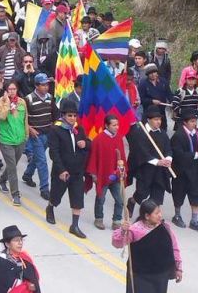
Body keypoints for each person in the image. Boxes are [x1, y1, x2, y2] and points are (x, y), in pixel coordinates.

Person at [111, 199, 183, 293]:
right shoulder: (135, 230)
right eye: (156, 213)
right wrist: (123, 230)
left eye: (160, 212)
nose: (160, 215)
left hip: (160, 276)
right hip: (140, 276)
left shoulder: (165, 228)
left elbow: (174, 248)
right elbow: (117, 243)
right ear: (147, 216)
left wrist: (178, 268)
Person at [45, 100, 90, 238]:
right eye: (70, 115)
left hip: (77, 171)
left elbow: (88, 144)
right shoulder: (55, 130)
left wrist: (85, 144)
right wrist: (61, 170)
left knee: (77, 198)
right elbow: (54, 152)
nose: (72, 118)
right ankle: (50, 207)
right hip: (62, 171)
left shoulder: (79, 129)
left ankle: (74, 225)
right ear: (63, 115)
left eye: (75, 116)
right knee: (56, 195)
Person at [126, 106, 172, 214]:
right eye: (156, 119)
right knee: (142, 193)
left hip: (160, 170)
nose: (158, 122)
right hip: (145, 168)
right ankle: (132, 201)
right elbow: (141, 151)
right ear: (148, 119)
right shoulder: (140, 133)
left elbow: (168, 148)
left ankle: (152, 216)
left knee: (158, 194)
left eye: (160, 119)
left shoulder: (163, 133)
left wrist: (168, 159)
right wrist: (156, 162)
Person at [170, 110, 198, 233]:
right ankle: (177, 215)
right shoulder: (178, 136)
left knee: (196, 195)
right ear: (185, 123)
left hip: (195, 170)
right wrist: (197, 155)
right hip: (181, 171)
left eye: (195, 121)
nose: (194, 124)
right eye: (192, 121)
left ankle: (194, 220)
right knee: (179, 194)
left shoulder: (197, 133)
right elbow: (178, 155)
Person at [85, 115, 126, 231]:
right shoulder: (98, 139)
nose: (117, 127)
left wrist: (121, 171)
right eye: (114, 125)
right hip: (102, 176)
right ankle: (99, 218)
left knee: (120, 200)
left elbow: (122, 157)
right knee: (100, 198)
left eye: (117, 125)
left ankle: (116, 221)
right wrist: (94, 175)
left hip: (116, 177)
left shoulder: (119, 138)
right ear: (106, 126)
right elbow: (93, 158)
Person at [22, 73, 58, 201]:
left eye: (47, 84)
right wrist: (30, 129)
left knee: (37, 157)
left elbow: (54, 115)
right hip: (36, 134)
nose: (46, 87)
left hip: (48, 133)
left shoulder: (50, 98)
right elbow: (23, 118)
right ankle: (44, 188)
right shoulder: (28, 99)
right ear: (36, 86)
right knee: (42, 161)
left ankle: (27, 175)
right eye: (43, 85)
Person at [0, 80, 29, 206]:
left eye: (14, 89)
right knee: (13, 167)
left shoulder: (22, 102)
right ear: (5, 91)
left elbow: (25, 119)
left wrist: (26, 135)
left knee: (12, 164)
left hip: (20, 139)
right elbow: (1, 116)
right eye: (9, 89)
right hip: (6, 140)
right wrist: (7, 102)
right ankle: (15, 194)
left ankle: (2, 180)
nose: (12, 91)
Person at [0, 225, 41, 293]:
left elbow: (31, 278)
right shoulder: (0, 262)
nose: (20, 243)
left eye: (21, 239)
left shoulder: (24, 257)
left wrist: (30, 284)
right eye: (16, 240)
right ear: (7, 244)